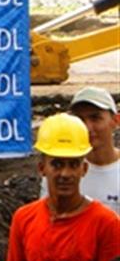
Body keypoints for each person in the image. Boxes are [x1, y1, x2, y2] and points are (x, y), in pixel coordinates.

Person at [6, 113, 120, 261]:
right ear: (42, 169)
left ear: (84, 169)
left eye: (73, 164)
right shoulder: (24, 219)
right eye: (57, 164)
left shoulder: (105, 224)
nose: (65, 174)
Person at [41, 87, 120, 215]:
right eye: (80, 120)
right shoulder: (61, 173)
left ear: (115, 121)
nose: (87, 127)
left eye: (95, 118)